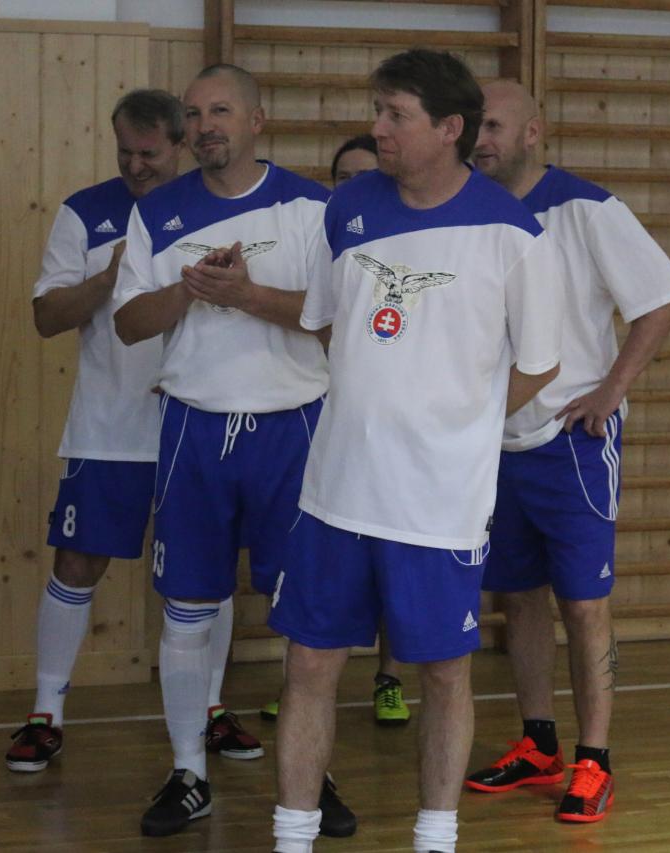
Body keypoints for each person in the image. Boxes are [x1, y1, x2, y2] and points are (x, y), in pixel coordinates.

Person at [267, 50, 565, 853]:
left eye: (395, 114)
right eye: (379, 110)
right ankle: (291, 839)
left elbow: (541, 363)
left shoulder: (513, 234)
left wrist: (460, 427)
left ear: (449, 128)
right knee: (309, 666)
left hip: (438, 504)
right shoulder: (348, 206)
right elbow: (327, 322)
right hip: (335, 493)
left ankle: (435, 839)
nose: (378, 128)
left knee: (442, 673)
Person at [113, 64, 354, 840]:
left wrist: (246, 294)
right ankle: (190, 772)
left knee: (308, 620)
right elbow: (127, 324)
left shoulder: (313, 208)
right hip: (194, 429)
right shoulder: (160, 211)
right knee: (187, 608)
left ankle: (312, 775)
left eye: (220, 110)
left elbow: (337, 322)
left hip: (295, 430)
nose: (205, 125)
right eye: (193, 114)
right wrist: (189, 289)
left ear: (257, 120)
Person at [6, 89, 262, 775]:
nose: (135, 165)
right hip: (109, 427)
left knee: (207, 571)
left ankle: (209, 708)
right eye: (125, 152)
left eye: (149, 153)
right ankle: (45, 713)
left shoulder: (217, 207)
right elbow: (46, 317)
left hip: (198, 426)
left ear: (180, 144)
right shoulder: (85, 211)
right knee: (77, 562)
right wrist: (111, 277)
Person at [465, 80, 670, 823]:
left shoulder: (588, 208)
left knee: (584, 603)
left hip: (572, 442)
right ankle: (539, 744)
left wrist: (611, 389)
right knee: (518, 595)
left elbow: (662, 298)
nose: (480, 140)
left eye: (494, 126)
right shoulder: (469, 209)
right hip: (494, 438)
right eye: (474, 127)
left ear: (533, 132)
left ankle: (595, 759)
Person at [261, 131, 411, 729]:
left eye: (362, 176)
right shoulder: (328, 238)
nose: (350, 187)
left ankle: (389, 680)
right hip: (330, 426)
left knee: (392, 568)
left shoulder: (409, 242)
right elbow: (310, 316)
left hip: (396, 435)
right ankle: (305, 683)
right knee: (317, 570)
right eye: (341, 178)